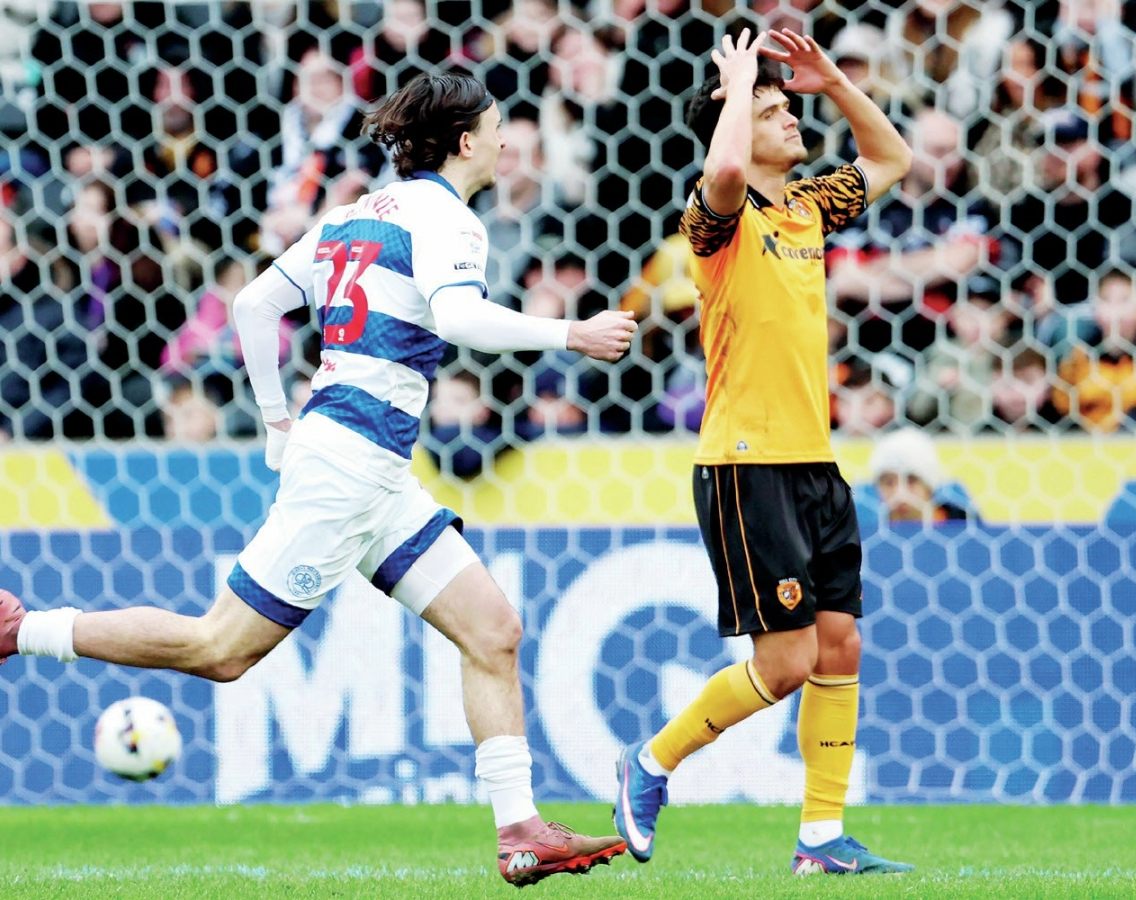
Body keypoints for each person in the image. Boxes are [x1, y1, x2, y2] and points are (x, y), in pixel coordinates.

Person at [0, 72, 639, 888]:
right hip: (349, 468)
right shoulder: (449, 218)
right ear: (468, 141)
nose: (509, 137)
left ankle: (520, 831)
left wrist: (275, 422)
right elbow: (457, 319)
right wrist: (570, 333)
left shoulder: (355, 214)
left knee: (493, 631)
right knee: (218, 648)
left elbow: (253, 307)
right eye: (498, 125)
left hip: (368, 466)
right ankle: (24, 630)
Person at [610, 28, 915, 876]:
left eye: (785, 109)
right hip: (745, 463)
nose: (787, 119)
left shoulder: (806, 205)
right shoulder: (717, 220)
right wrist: (739, 87)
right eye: (770, 112)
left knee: (840, 643)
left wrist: (834, 85)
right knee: (783, 664)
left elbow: (892, 162)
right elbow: (726, 173)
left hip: (813, 462)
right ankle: (648, 765)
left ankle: (820, 839)